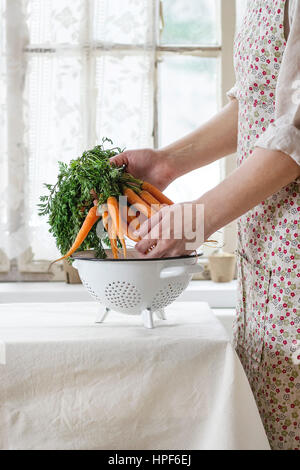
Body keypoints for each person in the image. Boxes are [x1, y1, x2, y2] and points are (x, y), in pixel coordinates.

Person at [110, 0, 300, 450]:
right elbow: (262, 101)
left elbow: (297, 128)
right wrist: (167, 163)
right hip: (270, 265)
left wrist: (194, 219)